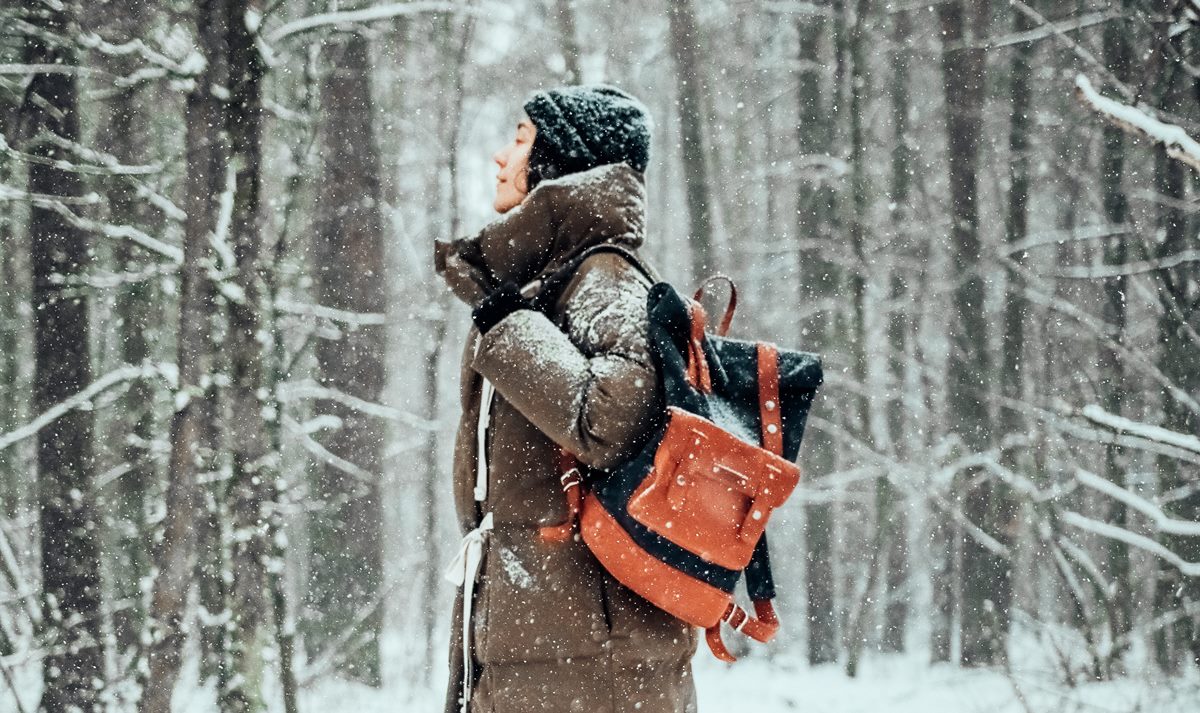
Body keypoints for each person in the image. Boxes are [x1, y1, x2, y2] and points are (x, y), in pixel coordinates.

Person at [434, 84, 699, 713]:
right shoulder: (550, 287)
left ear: (561, 162)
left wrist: (505, 319)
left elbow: (610, 419)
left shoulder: (606, 279)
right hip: (548, 649)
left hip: (590, 669)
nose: (501, 157)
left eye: (520, 139)